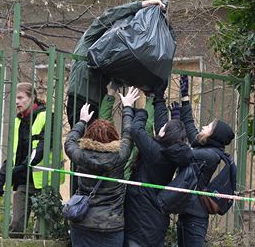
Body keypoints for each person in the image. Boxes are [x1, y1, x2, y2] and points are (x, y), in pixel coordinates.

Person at [66, 0, 166, 128]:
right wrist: (140, 5)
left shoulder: (109, 51)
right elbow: (109, 16)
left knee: (98, 140)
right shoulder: (89, 39)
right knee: (82, 139)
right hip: (80, 97)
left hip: (98, 101)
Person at [64, 87, 139, 247]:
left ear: (89, 135)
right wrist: (127, 108)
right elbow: (128, 134)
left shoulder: (80, 155)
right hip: (111, 225)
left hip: (82, 221)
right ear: (113, 136)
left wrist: (82, 121)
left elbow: (69, 141)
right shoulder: (119, 156)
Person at [123, 84, 193, 247]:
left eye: (163, 128)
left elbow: (136, 129)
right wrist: (159, 99)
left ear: (165, 134)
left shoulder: (156, 152)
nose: (160, 126)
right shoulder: (173, 151)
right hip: (156, 221)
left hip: (141, 223)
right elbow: (162, 124)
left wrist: (137, 110)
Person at [0, 82, 63, 238]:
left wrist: (25, 165)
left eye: (20, 98)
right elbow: (12, 154)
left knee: (42, 232)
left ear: (32, 97)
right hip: (23, 182)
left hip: (45, 182)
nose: (17, 102)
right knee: (16, 226)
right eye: (15, 99)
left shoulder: (48, 116)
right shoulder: (17, 121)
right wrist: (1, 177)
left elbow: (43, 146)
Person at [176, 75, 235, 247]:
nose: (203, 127)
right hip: (187, 212)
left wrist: (172, 131)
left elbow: (181, 153)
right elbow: (190, 127)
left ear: (214, 135)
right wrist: (185, 98)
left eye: (208, 127)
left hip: (195, 217)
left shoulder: (210, 155)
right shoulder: (206, 147)